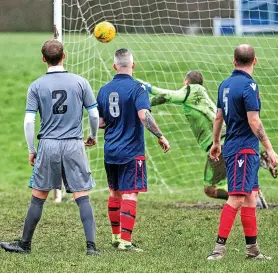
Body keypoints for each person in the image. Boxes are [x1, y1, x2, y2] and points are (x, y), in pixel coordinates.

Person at [0, 40, 100, 255]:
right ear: (64, 56)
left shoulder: (36, 86)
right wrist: (92, 135)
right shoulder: (81, 82)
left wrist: (31, 149)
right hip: (74, 144)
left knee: (38, 196)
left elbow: (28, 121)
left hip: (48, 145)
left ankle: (24, 244)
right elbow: (93, 113)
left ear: (43, 59)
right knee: (82, 195)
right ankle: (91, 247)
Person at [137, 72, 277, 205]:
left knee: (210, 189)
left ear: (186, 82)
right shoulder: (200, 95)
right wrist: (144, 105)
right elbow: (165, 97)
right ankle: (257, 168)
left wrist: (146, 88)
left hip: (218, 146)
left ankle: (251, 197)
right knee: (234, 174)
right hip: (229, 140)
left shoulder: (191, 91)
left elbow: (168, 95)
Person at [207, 44, 278, 260]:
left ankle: (252, 250)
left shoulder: (225, 84)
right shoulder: (250, 86)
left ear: (234, 61)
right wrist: (270, 148)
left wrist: (216, 142)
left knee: (250, 197)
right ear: (254, 61)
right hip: (243, 151)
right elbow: (254, 119)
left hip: (236, 148)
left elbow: (218, 116)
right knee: (237, 197)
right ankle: (218, 249)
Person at [97, 48, 170, 252]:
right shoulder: (138, 88)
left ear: (114, 66)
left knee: (114, 192)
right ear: (133, 65)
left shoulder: (104, 89)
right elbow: (144, 115)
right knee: (130, 195)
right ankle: (126, 243)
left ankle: (115, 236)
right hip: (131, 151)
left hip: (110, 150)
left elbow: (100, 122)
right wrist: (160, 136)